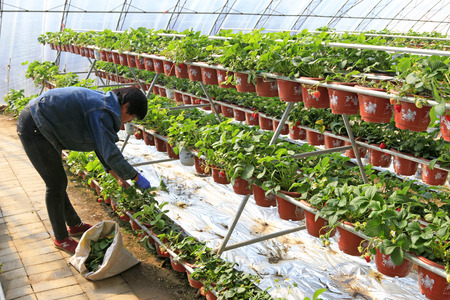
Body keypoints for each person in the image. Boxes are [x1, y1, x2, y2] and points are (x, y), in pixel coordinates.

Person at [17, 86, 151, 253]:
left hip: (43, 124)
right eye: (132, 116)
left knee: (58, 182)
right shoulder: (103, 111)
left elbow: (100, 145)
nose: (130, 121)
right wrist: (136, 177)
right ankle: (61, 238)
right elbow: (110, 153)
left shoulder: (105, 105)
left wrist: (117, 176)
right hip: (35, 126)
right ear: (126, 106)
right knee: (55, 184)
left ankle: (74, 225)